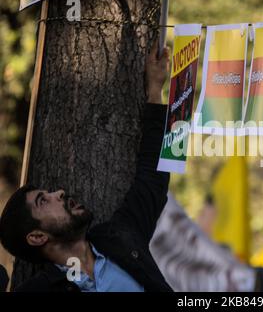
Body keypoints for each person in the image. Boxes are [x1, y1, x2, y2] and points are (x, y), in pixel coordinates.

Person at [0, 43, 172, 292]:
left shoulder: (121, 237)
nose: (58, 193)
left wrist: (155, 91)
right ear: (37, 237)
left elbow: (152, 178)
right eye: (42, 201)